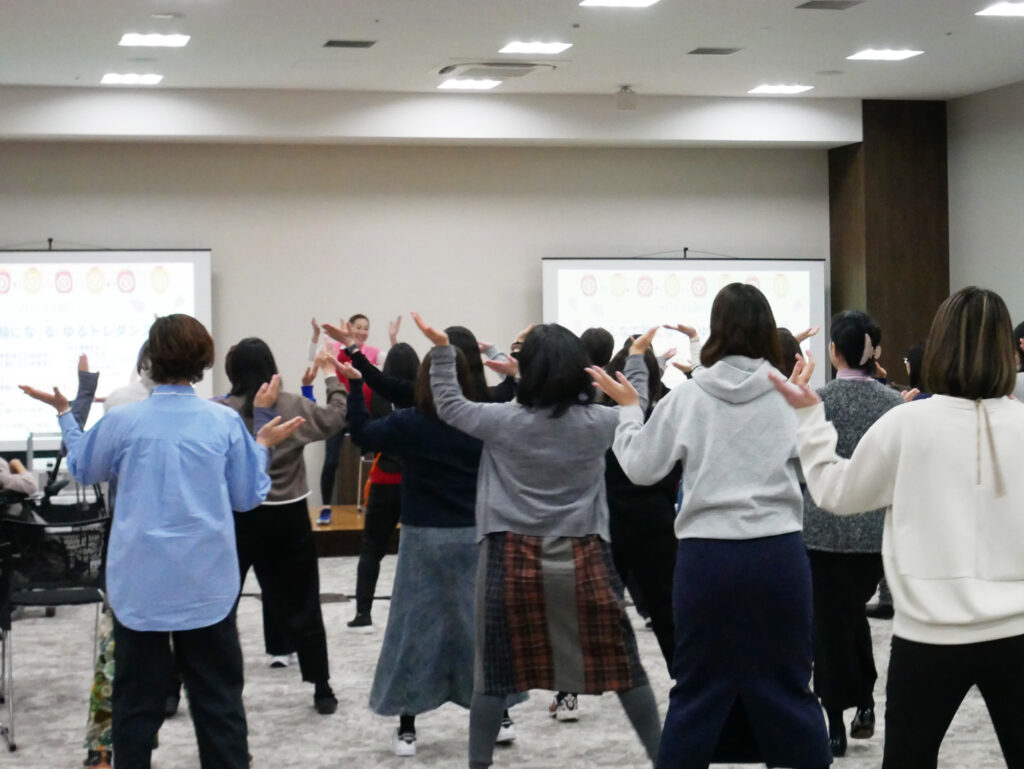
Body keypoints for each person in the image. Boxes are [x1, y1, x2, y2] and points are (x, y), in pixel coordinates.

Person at [21, 314, 304, 769]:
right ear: (203, 361)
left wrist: (64, 417)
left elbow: (82, 467)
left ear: (150, 360)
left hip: (140, 590)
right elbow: (247, 497)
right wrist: (261, 445)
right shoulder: (224, 424)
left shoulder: (123, 422)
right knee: (220, 710)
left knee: (134, 711)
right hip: (207, 589)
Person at [772, 285, 1024, 769]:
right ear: (1006, 351)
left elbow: (835, 492)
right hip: (1016, 631)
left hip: (928, 635)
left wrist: (810, 418)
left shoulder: (907, 423)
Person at [590, 283, 831, 769]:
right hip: (777, 557)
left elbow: (640, 467)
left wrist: (628, 411)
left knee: (696, 691)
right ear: (767, 330)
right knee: (789, 687)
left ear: (717, 330)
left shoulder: (689, 396)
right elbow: (819, 471)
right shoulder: (793, 398)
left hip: (706, 561)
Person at [416, 313, 663, 769]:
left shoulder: (502, 420)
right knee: (624, 666)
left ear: (525, 370)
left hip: (507, 559)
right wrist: (636, 359)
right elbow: (637, 405)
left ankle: (478, 764)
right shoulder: (598, 423)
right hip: (584, 555)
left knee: (491, 674)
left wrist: (442, 352)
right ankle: (665, 758)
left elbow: (448, 404)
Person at [341, 347, 522, 756]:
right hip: (475, 535)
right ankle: (502, 716)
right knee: (480, 628)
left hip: (423, 539)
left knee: (415, 630)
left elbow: (363, 435)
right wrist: (517, 374)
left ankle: (408, 727)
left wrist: (354, 385)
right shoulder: (482, 422)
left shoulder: (409, 423)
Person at [220, 338, 346, 713]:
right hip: (288, 515)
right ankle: (322, 687)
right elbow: (338, 416)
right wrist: (330, 376)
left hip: (238, 516)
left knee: (218, 604)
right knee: (304, 601)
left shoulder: (221, 412)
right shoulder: (293, 405)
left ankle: (178, 688)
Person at [801, 310, 903, 757]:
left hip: (822, 530)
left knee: (830, 625)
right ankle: (864, 701)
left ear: (834, 351)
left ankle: (835, 722)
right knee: (851, 616)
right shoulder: (894, 405)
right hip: (874, 535)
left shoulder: (816, 401)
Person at [316, 313, 381, 516]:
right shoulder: (334, 348)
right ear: (349, 328)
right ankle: (326, 507)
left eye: (366, 328)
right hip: (338, 412)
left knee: (369, 459)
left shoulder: (371, 352)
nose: (362, 332)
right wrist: (315, 336)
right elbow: (313, 357)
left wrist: (394, 338)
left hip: (361, 412)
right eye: (358, 327)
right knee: (331, 461)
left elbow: (394, 360)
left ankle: (367, 502)